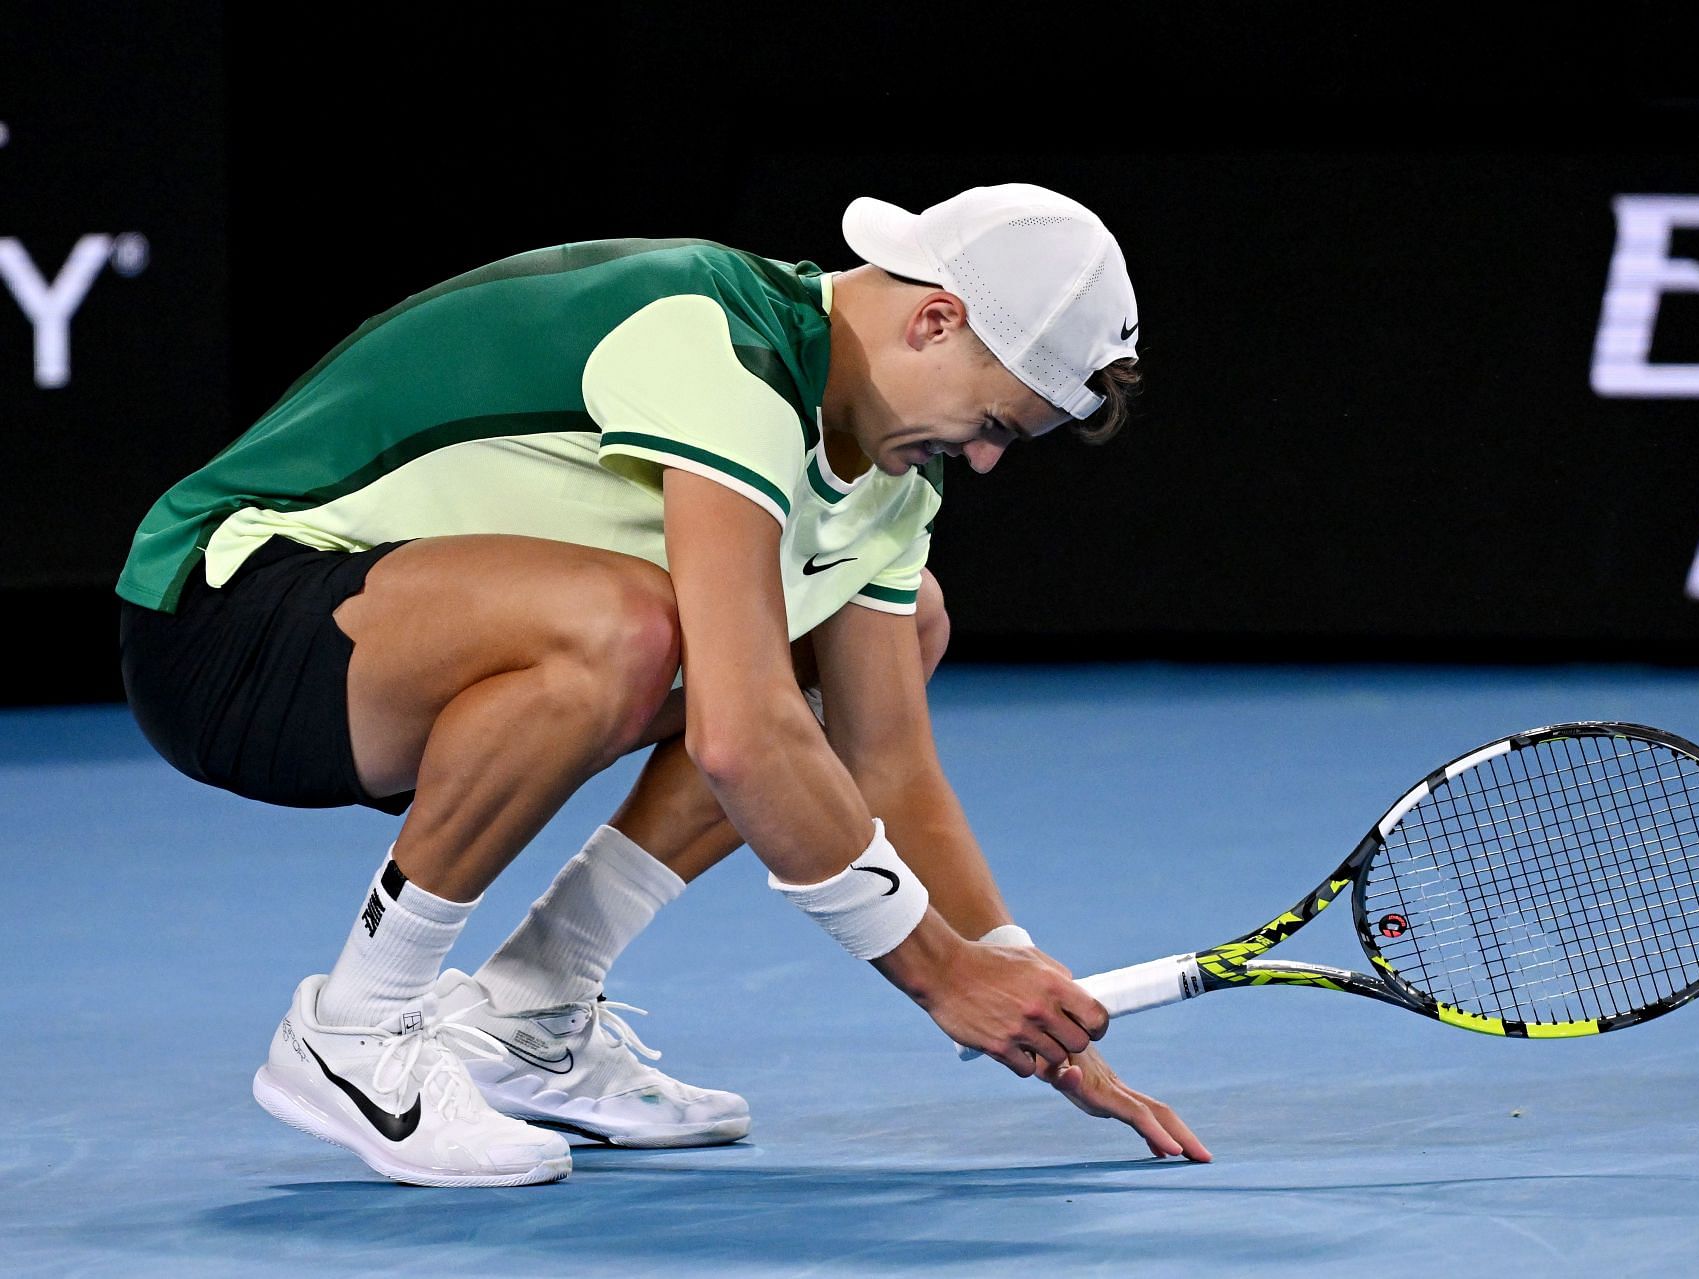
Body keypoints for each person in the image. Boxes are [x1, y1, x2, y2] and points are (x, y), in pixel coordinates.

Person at [117, 183, 1210, 1187]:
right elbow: (742, 737)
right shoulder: (718, 345)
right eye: (994, 425)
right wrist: (938, 976)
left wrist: (1013, 980)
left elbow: (889, 762)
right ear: (935, 321)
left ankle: (528, 1007)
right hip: (224, 622)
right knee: (633, 629)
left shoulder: (887, 484)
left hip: (397, 642)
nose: (982, 464)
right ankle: (353, 1026)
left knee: (891, 622)